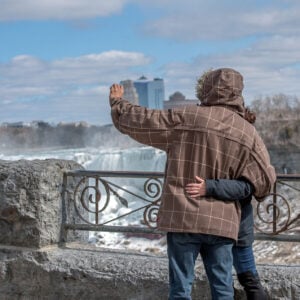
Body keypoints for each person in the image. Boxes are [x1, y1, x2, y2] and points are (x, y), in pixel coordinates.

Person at [109, 68, 276, 299]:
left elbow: (144, 121)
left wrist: (118, 104)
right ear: (238, 92)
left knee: (180, 290)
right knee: (222, 290)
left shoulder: (186, 117)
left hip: (183, 216)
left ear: (207, 89)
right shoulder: (248, 133)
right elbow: (265, 181)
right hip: (221, 222)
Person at [185, 176, 268, 299]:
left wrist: (211, 187)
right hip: (210, 226)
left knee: (249, 280)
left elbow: (251, 186)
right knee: (222, 283)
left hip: (238, 225)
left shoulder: (248, 158)